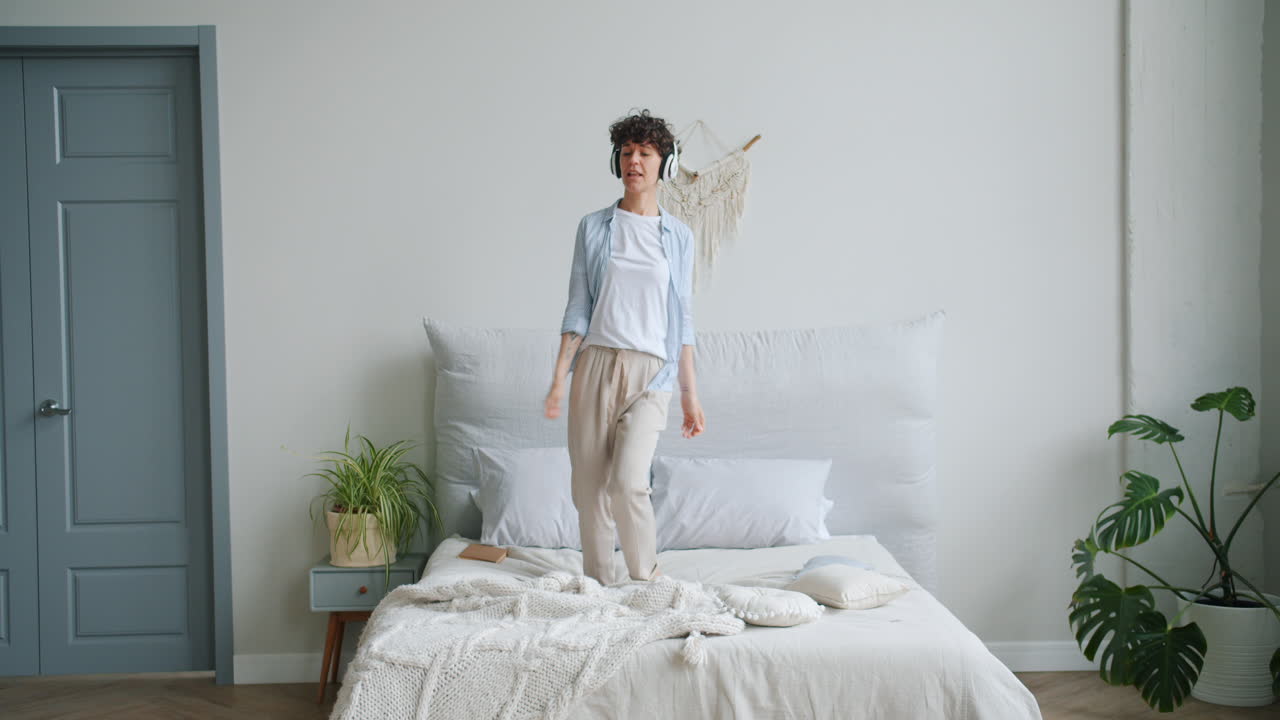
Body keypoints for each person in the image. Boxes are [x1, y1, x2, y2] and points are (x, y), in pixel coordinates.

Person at [544, 109, 705, 585]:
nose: (634, 161)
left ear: (665, 164)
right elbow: (578, 308)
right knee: (589, 489)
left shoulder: (680, 237)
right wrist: (559, 379)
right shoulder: (592, 227)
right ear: (617, 160)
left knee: (628, 483)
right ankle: (599, 588)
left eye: (646, 153)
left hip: (651, 375)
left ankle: (646, 582)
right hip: (595, 367)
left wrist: (690, 394)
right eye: (627, 152)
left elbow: (683, 320)